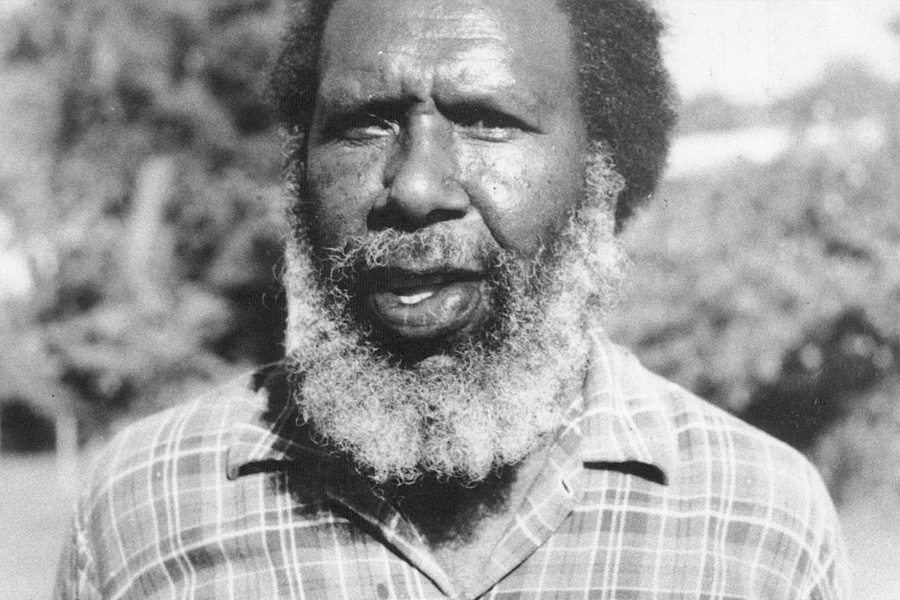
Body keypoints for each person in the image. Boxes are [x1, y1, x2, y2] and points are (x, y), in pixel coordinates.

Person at [54, 0, 849, 598]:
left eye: (486, 120)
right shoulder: (144, 510)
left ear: (603, 175)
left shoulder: (758, 528)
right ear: (298, 174)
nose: (416, 187)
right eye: (365, 124)